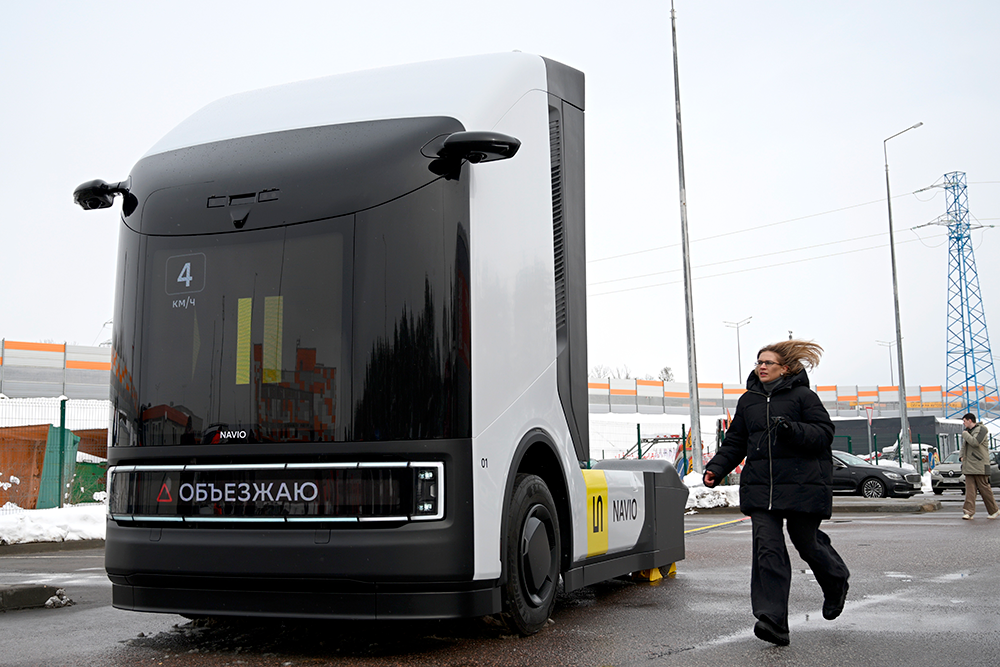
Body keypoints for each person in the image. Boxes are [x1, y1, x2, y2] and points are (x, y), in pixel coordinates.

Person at [703, 340, 849, 647]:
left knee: (806, 543)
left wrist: (792, 429)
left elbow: (824, 434)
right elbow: (735, 441)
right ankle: (773, 621)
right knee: (767, 549)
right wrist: (717, 468)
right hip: (761, 489)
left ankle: (835, 580)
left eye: (768, 362)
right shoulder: (748, 402)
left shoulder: (804, 397)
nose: (762, 367)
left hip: (801, 484)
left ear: (786, 368)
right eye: (759, 362)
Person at [958, 413, 1000, 520]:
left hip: (980, 465)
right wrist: (961, 456)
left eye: (964, 421)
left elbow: (975, 442)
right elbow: (964, 446)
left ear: (970, 420)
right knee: (970, 491)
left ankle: (994, 510)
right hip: (969, 466)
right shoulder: (968, 432)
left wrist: (965, 434)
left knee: (984, 489)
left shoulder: (982, 430)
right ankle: (968, 512)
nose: (963, 423)